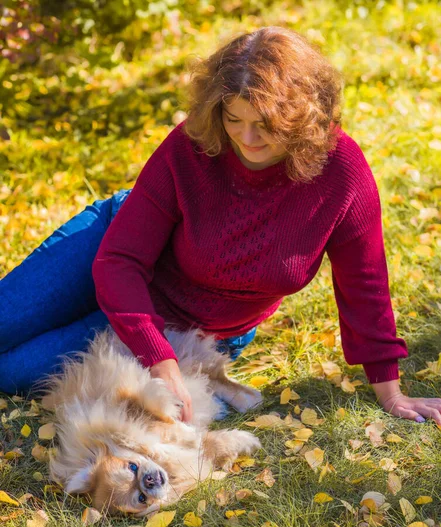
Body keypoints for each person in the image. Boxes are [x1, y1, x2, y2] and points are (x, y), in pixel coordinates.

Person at [1, 26, 440, 425]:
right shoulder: (192, 146)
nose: (246, 140)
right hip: (114, 250)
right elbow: (119, 261)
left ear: (302, 117)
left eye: (264, 125)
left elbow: (364, 282)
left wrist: (390, 391)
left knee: (13, 370)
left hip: (194, 329)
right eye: (234, 120)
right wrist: (159, 362)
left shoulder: (341, 171)